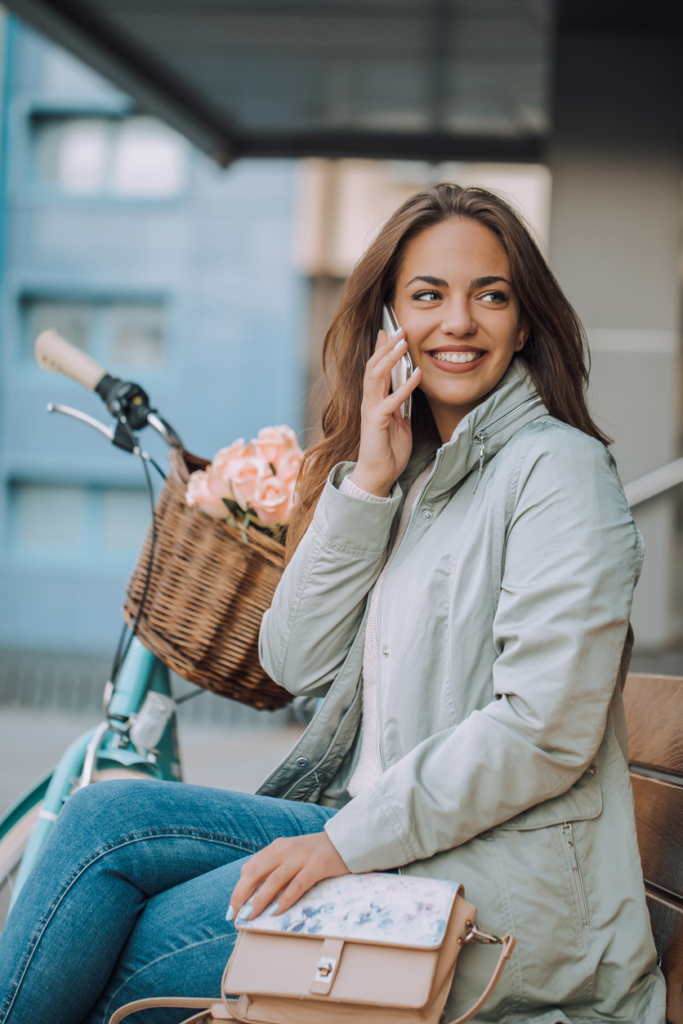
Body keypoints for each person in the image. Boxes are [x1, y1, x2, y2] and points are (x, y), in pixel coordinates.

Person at [0, 184, 665, 1024]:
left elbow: (539, 731)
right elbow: (294, 659)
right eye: (427, 296)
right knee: (105, 817)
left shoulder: (557, 472)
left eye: (490, 296)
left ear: (524, 323)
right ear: (388, 322)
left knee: (131, 954)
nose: (458, 322)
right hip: (395, 838)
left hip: (500, 894)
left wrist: (340, 844)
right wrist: (369, 482)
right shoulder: (412, 476)